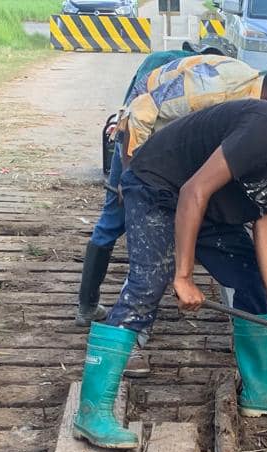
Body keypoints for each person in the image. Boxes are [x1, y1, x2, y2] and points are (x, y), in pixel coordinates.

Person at [73, 81, 267, 449]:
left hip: (209, 210)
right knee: (148, 284)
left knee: (252, 282)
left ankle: (262, 392)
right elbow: (194, 191)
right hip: (159, 188)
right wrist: (184, 276)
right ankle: (92, 412)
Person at [76, 54, 267, 324]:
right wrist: (128, 171)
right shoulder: (220, 88)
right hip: (146, 142)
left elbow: (232, 192)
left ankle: (255, 335)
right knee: (122, 227)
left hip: (192, 167)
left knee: (237, 261)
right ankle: (92, 307)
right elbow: (142, 110)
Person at [75, 38, 232, 327]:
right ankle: (114, 317)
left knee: (117, 224)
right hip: (139, 151)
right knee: (132, 227)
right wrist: (129, 175)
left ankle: (91, 307)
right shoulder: (193, 76)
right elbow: (133, 114)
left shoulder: (176, 67)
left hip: (156, 153)